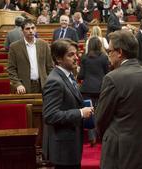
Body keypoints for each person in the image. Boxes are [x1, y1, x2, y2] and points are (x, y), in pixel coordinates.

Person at [96, 30, 142, 169]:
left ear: (120, 52)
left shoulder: (112, 78)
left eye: (109, 51)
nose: (108, 54)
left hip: (119, 152)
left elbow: (100, 118)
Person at [42, 38, 94, 169]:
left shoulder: (68, 75)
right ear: (58, 59)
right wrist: (80, 113)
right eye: (71, 55)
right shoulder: (55, 81)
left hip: (71, 144)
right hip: (63, 147)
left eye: (76, 54)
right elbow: (50, 115)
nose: (76, 58)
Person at [77, 37, 110, 146]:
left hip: (87, 88)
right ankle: (101, 136)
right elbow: (107, 73)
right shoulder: (104, 57)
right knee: (100, 111)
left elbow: (81, 75)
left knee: (89, 112)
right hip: (101, 88)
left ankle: (92, 137)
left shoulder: (85, 58)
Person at [7, 19, 53, 94]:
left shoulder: (44, 44)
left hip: (43, 85)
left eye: (33, 28)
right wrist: (18, 84)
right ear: (22, 31)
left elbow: (50, 67)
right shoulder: (14, 47)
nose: (31, 31)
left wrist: (50, 82)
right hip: (24, 86)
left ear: (36, 29)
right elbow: (11, 69)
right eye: (27, 29)